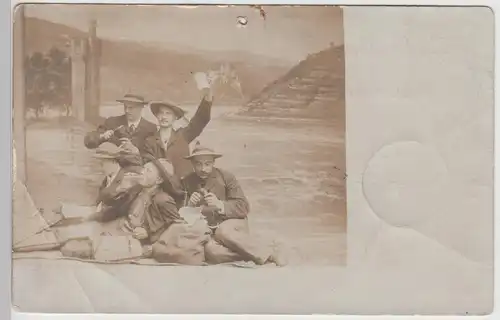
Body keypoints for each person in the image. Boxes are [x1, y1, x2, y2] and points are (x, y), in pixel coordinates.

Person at [182, 144, 287, 266]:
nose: (203, 169)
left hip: (232, 224)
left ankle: (268, 253)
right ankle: (260, 252)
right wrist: (189, 206)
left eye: (207, 164)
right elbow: (180, 214)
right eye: (198, 164)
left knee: (223, 231)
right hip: (209, 230)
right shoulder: (187, 181)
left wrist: (220, 204)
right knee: (212, 252)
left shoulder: (226, 177)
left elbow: (243, 206)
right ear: (192, 164)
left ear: (213, 163)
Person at [121, 158, 184, 243]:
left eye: (148, 171)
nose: (142, 172)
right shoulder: (137, 191)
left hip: (146, 245)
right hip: (127, 234)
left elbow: (176, 226)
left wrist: (148, 233)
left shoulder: (163, 199)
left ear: (159, 180)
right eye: (144, 168)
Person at [84, 94, 157, 165]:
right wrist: (101, 136)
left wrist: (136, 151)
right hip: (113, 169)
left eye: (131, 108)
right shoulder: (112, 122)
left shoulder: (150, 128)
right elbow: (88, 142)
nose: (127, 111)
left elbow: (151, 156)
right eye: (125, 107)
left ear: (141, 107)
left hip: (138, 171)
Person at [91, 142, 145, 223]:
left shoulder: (126, 179)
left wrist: (92, 217)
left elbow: (119, 209)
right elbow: (99, 201)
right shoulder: (107, 180)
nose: (100, 167)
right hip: (103, 220)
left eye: (102, 163)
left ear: (113, 161)